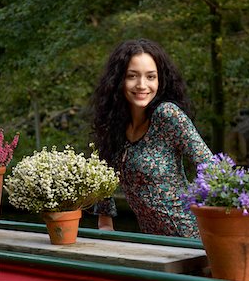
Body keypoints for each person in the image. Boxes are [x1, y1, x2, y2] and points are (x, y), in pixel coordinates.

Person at [90, 38, 212, 238]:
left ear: (160, 80)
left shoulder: (167, 115)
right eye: (132, 76)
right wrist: (105, 223)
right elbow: (103, 175)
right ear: (118, 80)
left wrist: (213, 217)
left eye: (150, 77)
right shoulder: (115, 127)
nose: (142, 85)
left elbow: (210, 166)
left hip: (192, 241)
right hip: (152, 244)